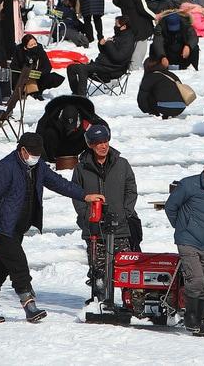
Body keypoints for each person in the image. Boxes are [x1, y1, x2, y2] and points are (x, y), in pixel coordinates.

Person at [0, 133, 103, 324]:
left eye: (38, 154)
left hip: (18, 228)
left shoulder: (38, 166)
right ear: (22, 150)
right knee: (19, 267)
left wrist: (84, 196)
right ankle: (30, 306)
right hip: (3, 228)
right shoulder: (5, 167)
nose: (36, 157)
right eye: (32, 153)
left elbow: (59, 183)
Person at [164, 153, 204, 337]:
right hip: (187, 241)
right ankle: (190, 318)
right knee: (196, 280)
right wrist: (182, 227)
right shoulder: (188, 185)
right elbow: (170, 207)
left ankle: (201, 321)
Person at [71, 124, 139, 297]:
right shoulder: (81, 168)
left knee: (126, 270)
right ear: (90, 145)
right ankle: (99, 302)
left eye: (105, 141)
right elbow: (76, 194)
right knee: (98, 272)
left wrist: (126, 213)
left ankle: (130, 302)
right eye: (98, 142)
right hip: (94, 229)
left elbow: (131, 190)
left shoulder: (122, 164)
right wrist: (86, 216)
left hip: (121, 228)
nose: (103, 146)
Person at [66, 16, 136, 96]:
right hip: (102, 65)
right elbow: (106, 52)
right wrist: (102, 45)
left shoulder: (128, 40)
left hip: (111, 70)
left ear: (124, 27)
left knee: (82, 69)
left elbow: (118, 58)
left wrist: (109, 44)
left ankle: (81, 98)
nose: (115, 26)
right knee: (71, 68)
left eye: (116, 24)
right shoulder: (119, 35)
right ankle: (76, 93)